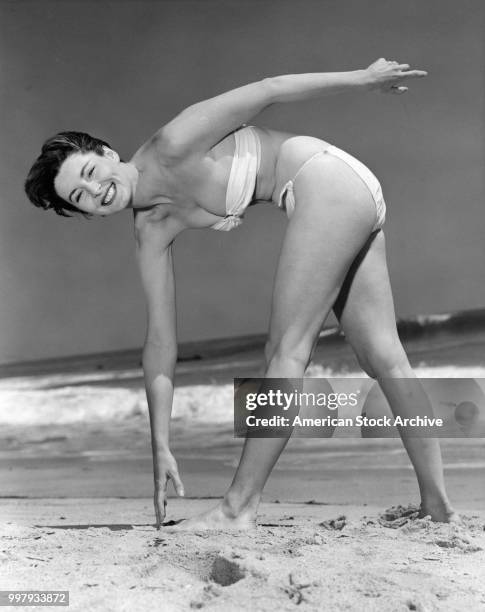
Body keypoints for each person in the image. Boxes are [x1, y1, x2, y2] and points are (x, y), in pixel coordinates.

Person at [25, 58, 456, 529]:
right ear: (83, 213)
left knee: (285, 351)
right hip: (344, 194)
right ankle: (437, 506)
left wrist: (364, 78)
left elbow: (269, 88)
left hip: (323, 180)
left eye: (89, 171)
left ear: (108, 153)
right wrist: (160, 444)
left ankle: (237, 507)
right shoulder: (150, 229)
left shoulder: (172, 143)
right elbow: (160, 344)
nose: (95, 190)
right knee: (384, 358)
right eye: (79, 197)